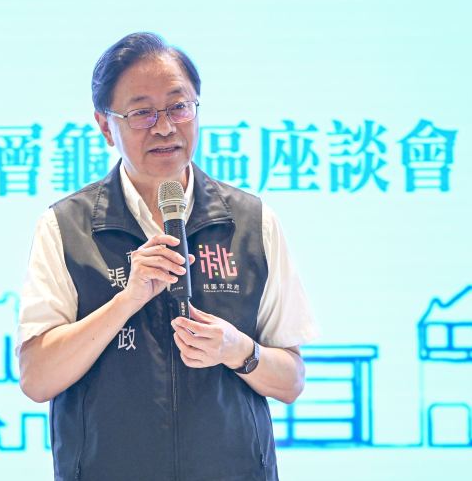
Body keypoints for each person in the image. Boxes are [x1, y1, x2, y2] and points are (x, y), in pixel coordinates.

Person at [16, 32, 317, 481]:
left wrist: (239, 350)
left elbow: (291, 381)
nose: (164, 127)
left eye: (179, 107)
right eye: (142, 113)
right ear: (105, 126)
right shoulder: (66, 227)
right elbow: (37, 379)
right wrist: (127, 301)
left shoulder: (253, 222)